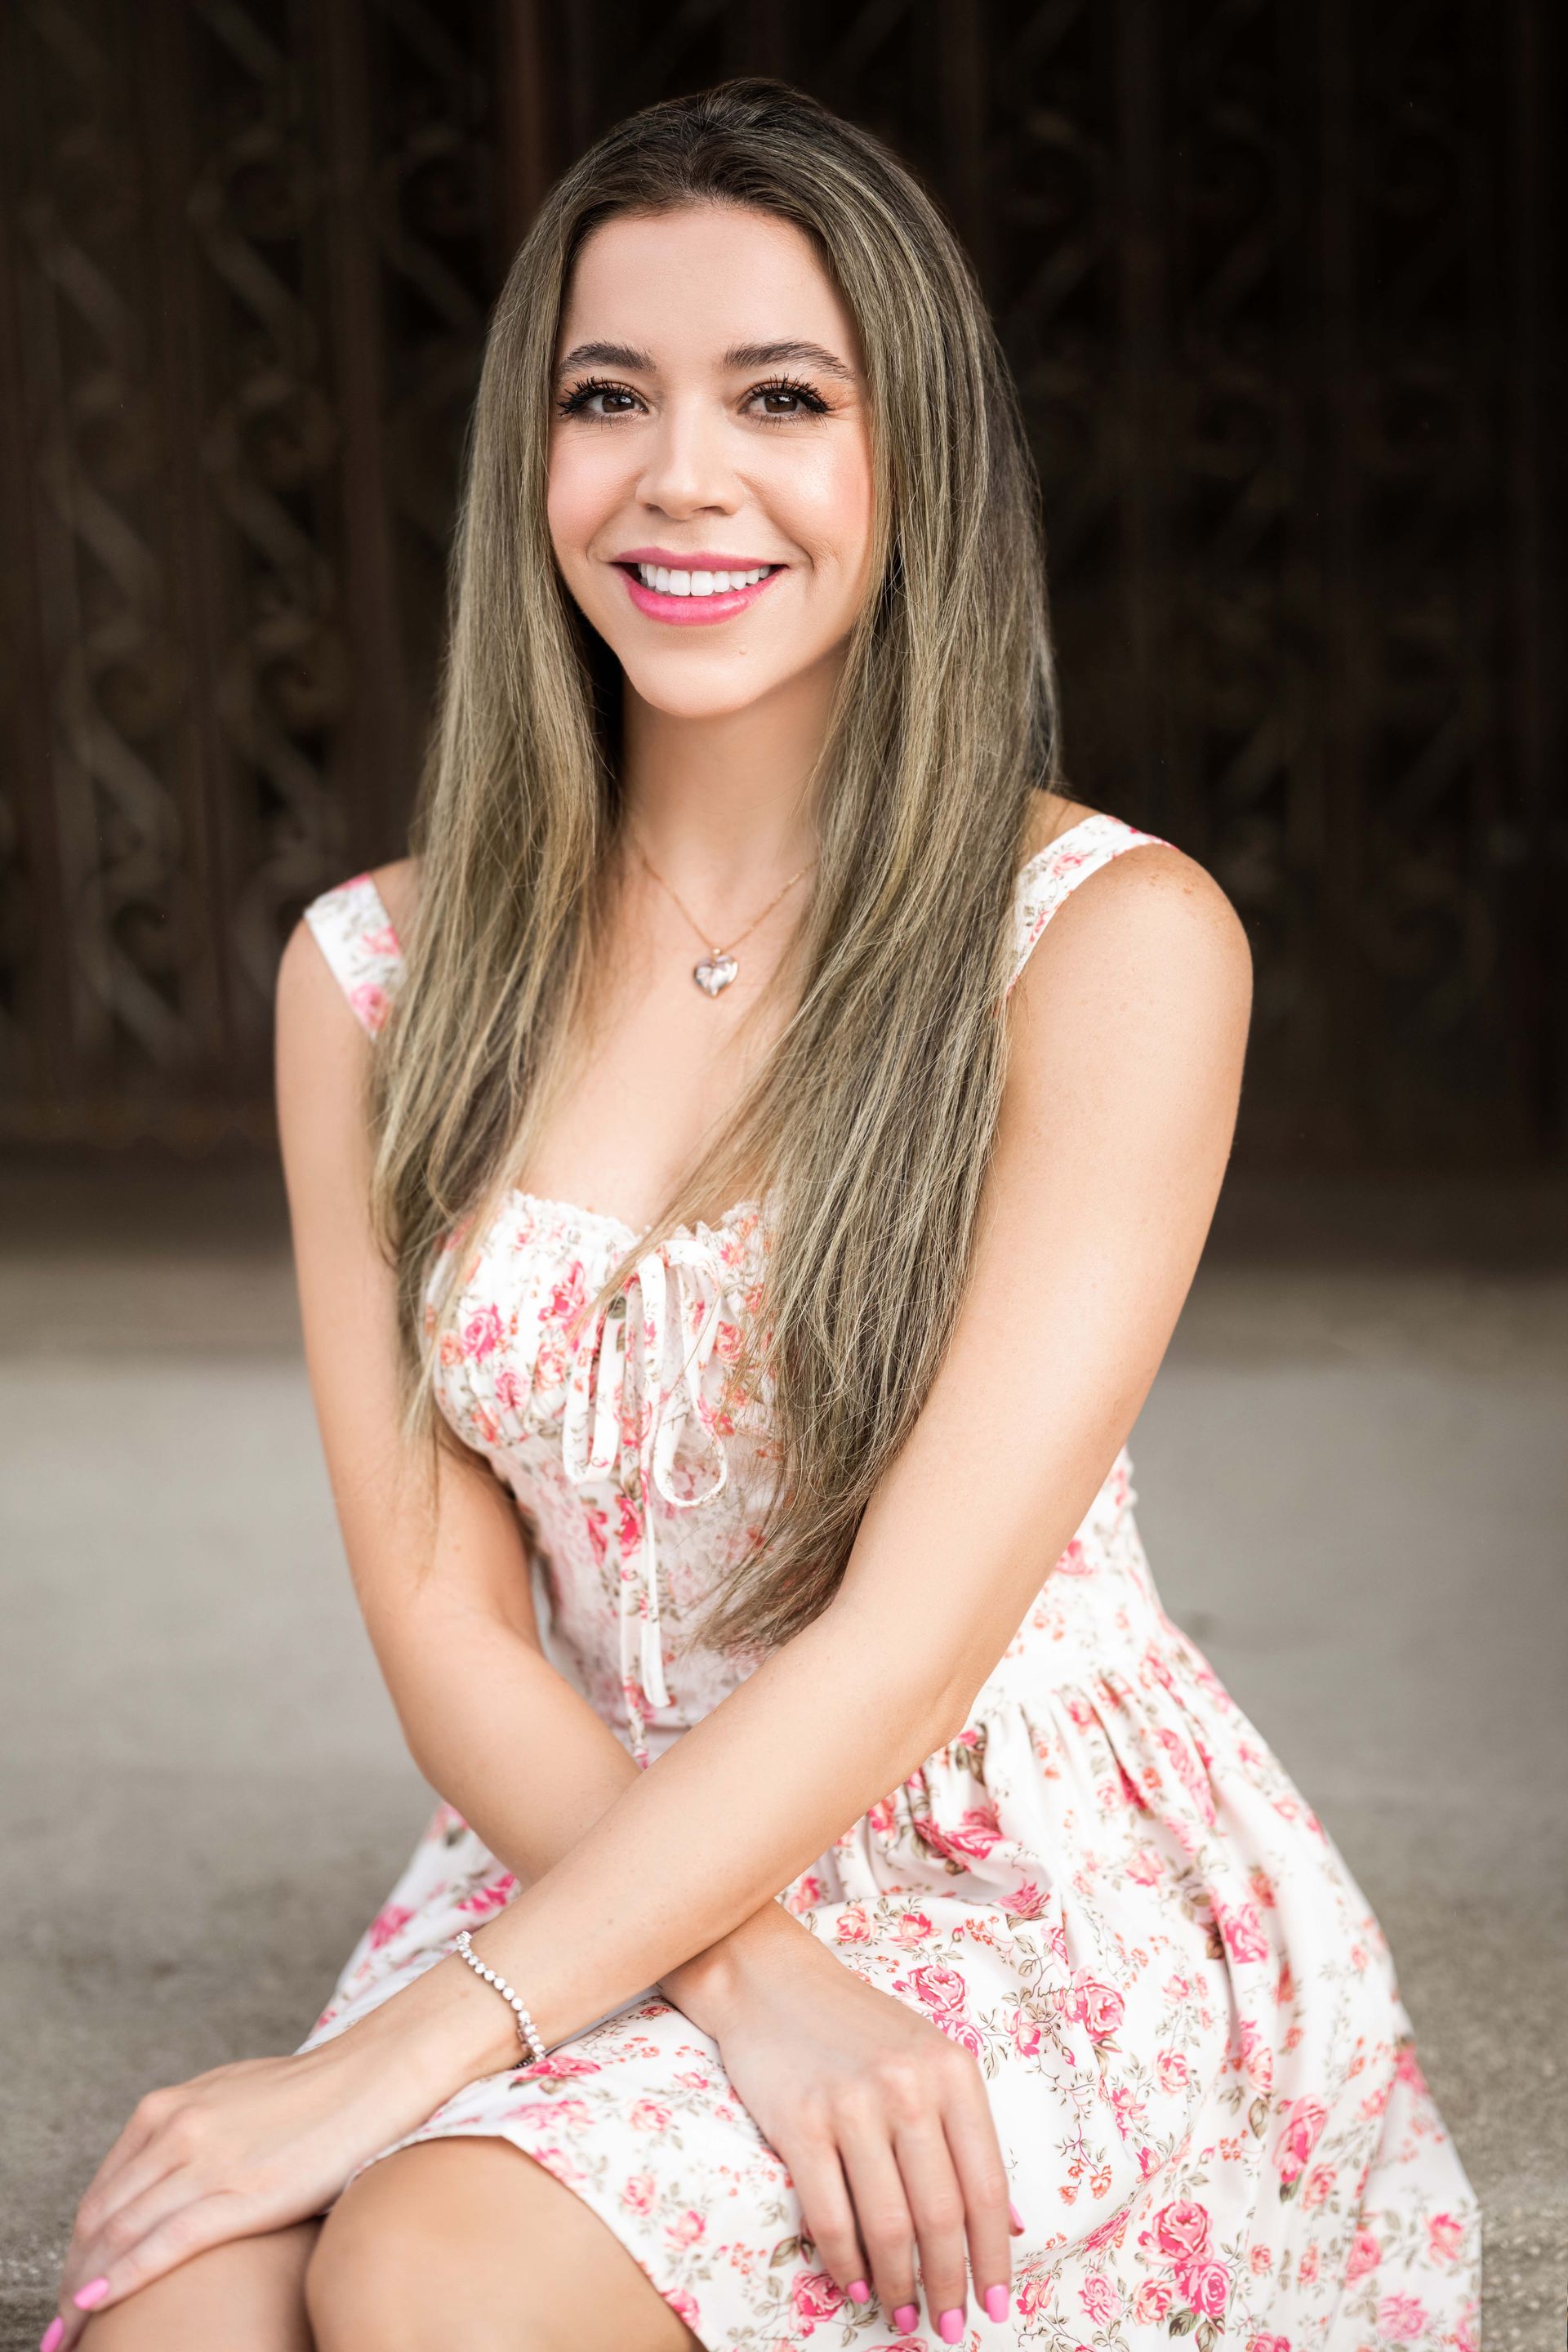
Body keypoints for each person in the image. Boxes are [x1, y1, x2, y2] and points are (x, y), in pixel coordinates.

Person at [51, 77, 1478, 2352]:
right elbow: (455, 1638)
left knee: (427, 2267)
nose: (679, 477)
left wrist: (413, 2061)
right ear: (533, 458)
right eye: (607, 398)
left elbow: (907, 1642)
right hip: (577, 1831)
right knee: (173, 2305)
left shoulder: (1109, 943)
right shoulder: (375, 982)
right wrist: (740, 1976)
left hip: (1005, 1861)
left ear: (913, 462)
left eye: (782, 398)